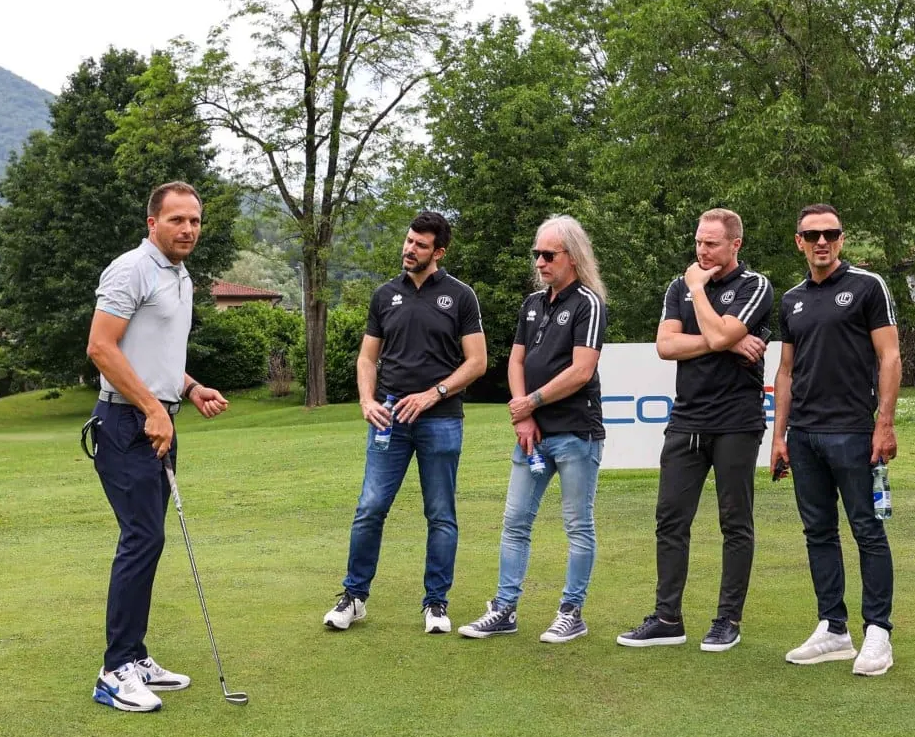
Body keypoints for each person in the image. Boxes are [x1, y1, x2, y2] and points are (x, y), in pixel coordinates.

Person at [84, 182, 230, 713]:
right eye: (176, 220)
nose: (188, 229)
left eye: (195, 220)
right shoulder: (132, 270)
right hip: (126, 423)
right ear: (152, 223)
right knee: (142, 537)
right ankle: (114, 671)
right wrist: (151, 408)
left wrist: (189, 388)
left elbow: (153, 354)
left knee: (150, 538)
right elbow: (101, 347)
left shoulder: (179, 275)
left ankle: (135, 655)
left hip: (154, 419)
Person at [618, 208, 774, 653]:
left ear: (734, 245)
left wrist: (700, 293)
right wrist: (726, 340)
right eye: (698, 242)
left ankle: (727, 620)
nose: (701, 251)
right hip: (687, 419)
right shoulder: (677, 286)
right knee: (670, 519)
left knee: (735, 522)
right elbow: (666, 345)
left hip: (736, 421)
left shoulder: (754, 285)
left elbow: (723, 335)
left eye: (711, 243)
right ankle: (667, 618)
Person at [323, 211, 487, 635]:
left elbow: (477, 361)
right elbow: (367, 358)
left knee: (441, 514)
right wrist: (366, 400)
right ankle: (354, 597)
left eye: (420, 245)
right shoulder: (384, 295)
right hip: (389, 419)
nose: (410, 249)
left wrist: (435, 393)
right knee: (370, 508)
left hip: (441, 420)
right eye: (409, 240)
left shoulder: (460, 296)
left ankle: (436, 603)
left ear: (439, 252)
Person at [459, 216, 608, 643]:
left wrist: (532, 402)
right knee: (515, 521)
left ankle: (571, 612)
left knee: (577, 524)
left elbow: (582, 370)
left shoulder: (589, 303)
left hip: (576, 432)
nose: (540, 262)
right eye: (537, 254)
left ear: (572, 256)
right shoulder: (532, 303)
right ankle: (504, 609)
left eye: (548, 255)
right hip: (533, 435)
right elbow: (517, 360)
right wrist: (523, 414)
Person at [770, 204, 901, 676]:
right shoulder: (791, 299)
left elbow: (890, 357)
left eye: (830, 233)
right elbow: (786, 371)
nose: (821, 242)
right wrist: (779, 436)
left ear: (841, 238)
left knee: (867, 529)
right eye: (812, 235)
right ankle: (833, 628)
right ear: (799, 242)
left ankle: (878, 632)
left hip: (853, 431)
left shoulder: (867, 286)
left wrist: (885, 423)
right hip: (804, 435)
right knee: (818, 532)